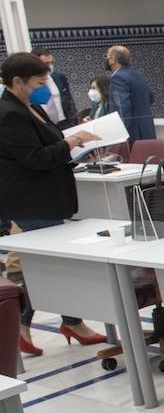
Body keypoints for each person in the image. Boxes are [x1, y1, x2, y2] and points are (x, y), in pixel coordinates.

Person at [0, 52, 105, 356]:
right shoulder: (8, 114)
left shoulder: (30, 107)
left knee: (51, 267)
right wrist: (71, 143)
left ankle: (49, 323)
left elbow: (50, 143)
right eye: (39, 81)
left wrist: (72, 142)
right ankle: (58, 322)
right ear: (17, 81)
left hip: (47, 196)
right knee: (51, 267)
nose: (45, 86)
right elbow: (35, 157)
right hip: (30, 200)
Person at [105, 45, 156, 141]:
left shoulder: (118, 78)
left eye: (107, 57)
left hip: (132, 133)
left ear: (113, 60)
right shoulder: (138, 74)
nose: (106, 60)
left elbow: (121, 107)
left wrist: (119, 135)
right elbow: (150, 98)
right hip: (147, 129)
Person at [33, 48, 75, 126]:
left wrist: (73, 121)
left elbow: (69, 99)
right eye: (46, 63)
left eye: (52, 63)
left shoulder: (59, 77)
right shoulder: (30, 83)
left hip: (65, 122)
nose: (50, 66)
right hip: (45, 124)